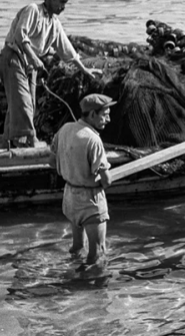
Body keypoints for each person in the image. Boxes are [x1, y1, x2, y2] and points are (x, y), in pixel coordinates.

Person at [0, 0, 100, 148]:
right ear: (49, 0)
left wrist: (84, 69)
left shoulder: (54, 23)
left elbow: (68, 50)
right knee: (23, 102)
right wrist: (33, 57)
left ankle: (9, 140)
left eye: (65, 3)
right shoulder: (33, 10)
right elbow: (20, 34)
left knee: (27, 102)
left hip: (29, 65)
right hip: (13, 58)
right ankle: (29, 140)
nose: (63, 7)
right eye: (61, 1)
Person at [50, 93, 115, 273]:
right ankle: (87, 292)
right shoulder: (93, 139)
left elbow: (51, 161)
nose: (108, 119)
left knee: (77, 247)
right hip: (90, 201)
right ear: (92, 115)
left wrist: (72, 169)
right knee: (97, 253)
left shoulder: (65, 129)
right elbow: (107, 181)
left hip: (70, 196)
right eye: (105, 114)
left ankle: (69, 276)